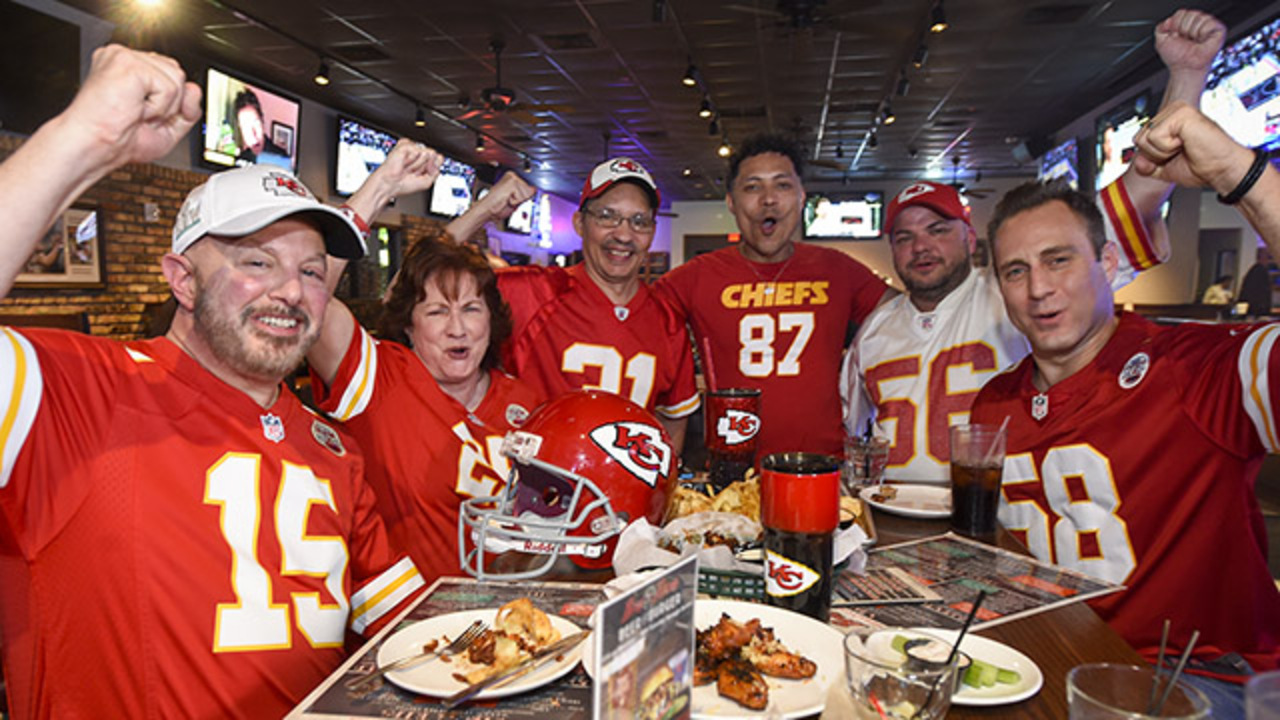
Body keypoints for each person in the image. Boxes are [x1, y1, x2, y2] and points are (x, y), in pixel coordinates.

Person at [0, 46, 423, 718]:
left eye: (313, 272)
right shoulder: (79, 393)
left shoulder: (331, 450)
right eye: (256, 261)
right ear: (181, 278)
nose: (291, 291)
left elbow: (411, 636)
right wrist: (80, 137)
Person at [972, 102, 1280, 715]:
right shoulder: (996, 400)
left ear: (1107, 265)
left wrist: (1240, 177)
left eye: (1058, 259)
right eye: (1016, 270)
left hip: (1195, 675)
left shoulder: (1194, 368)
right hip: (1047, 656)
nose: (1038, 288)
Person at [842, 8, 1223, 483]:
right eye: (904, 236)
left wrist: (1187, 75)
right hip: (897, 524)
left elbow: (1145, 185)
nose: (921, 246)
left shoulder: (1018, 288)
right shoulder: (875, 331)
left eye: (938, 230)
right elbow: (849, 434)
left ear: (968, 235)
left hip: (1006, 517)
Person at [306, 140, 542, 586]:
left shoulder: (524, 399)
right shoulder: (382, 379)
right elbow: (308, 294)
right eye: (436, 313)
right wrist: (381, 186)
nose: (459, 328)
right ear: (409, 325)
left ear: (492, 318)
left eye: (472, 310)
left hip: (510, 627)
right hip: (405, 631)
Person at [656, 133, 890, 459]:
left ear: (801, 197)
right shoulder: (696, 276)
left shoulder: (838, 269)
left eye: (782, 185)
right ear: (731, 202)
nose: (768, 199)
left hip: (824, 466)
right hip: (735, 468)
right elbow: (631, 317)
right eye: (752, 187)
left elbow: (909, 317)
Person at [457, 159, 700, 454]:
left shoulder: (667, 320)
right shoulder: (532, 292)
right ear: (580, 223)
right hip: (534, 492)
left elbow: (672, 421)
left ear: (651, 231)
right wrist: (482, 211)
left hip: (624, 497)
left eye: (639, 221)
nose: (623, 235)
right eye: (607, 217)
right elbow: (412, 290)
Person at [233, 88, 291, 169]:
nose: (253, 133)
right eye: (246, 126)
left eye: (255, 123)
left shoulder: (280, 157)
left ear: (262, 121)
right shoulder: (240, 160)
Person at [1237, 245, 1274, 316]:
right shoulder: (1259, 270)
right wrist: (1263, 309)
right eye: (1268, 257)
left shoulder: (1254, 270)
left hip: (1252, 308)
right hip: (1256, 309)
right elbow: (1260, 292)